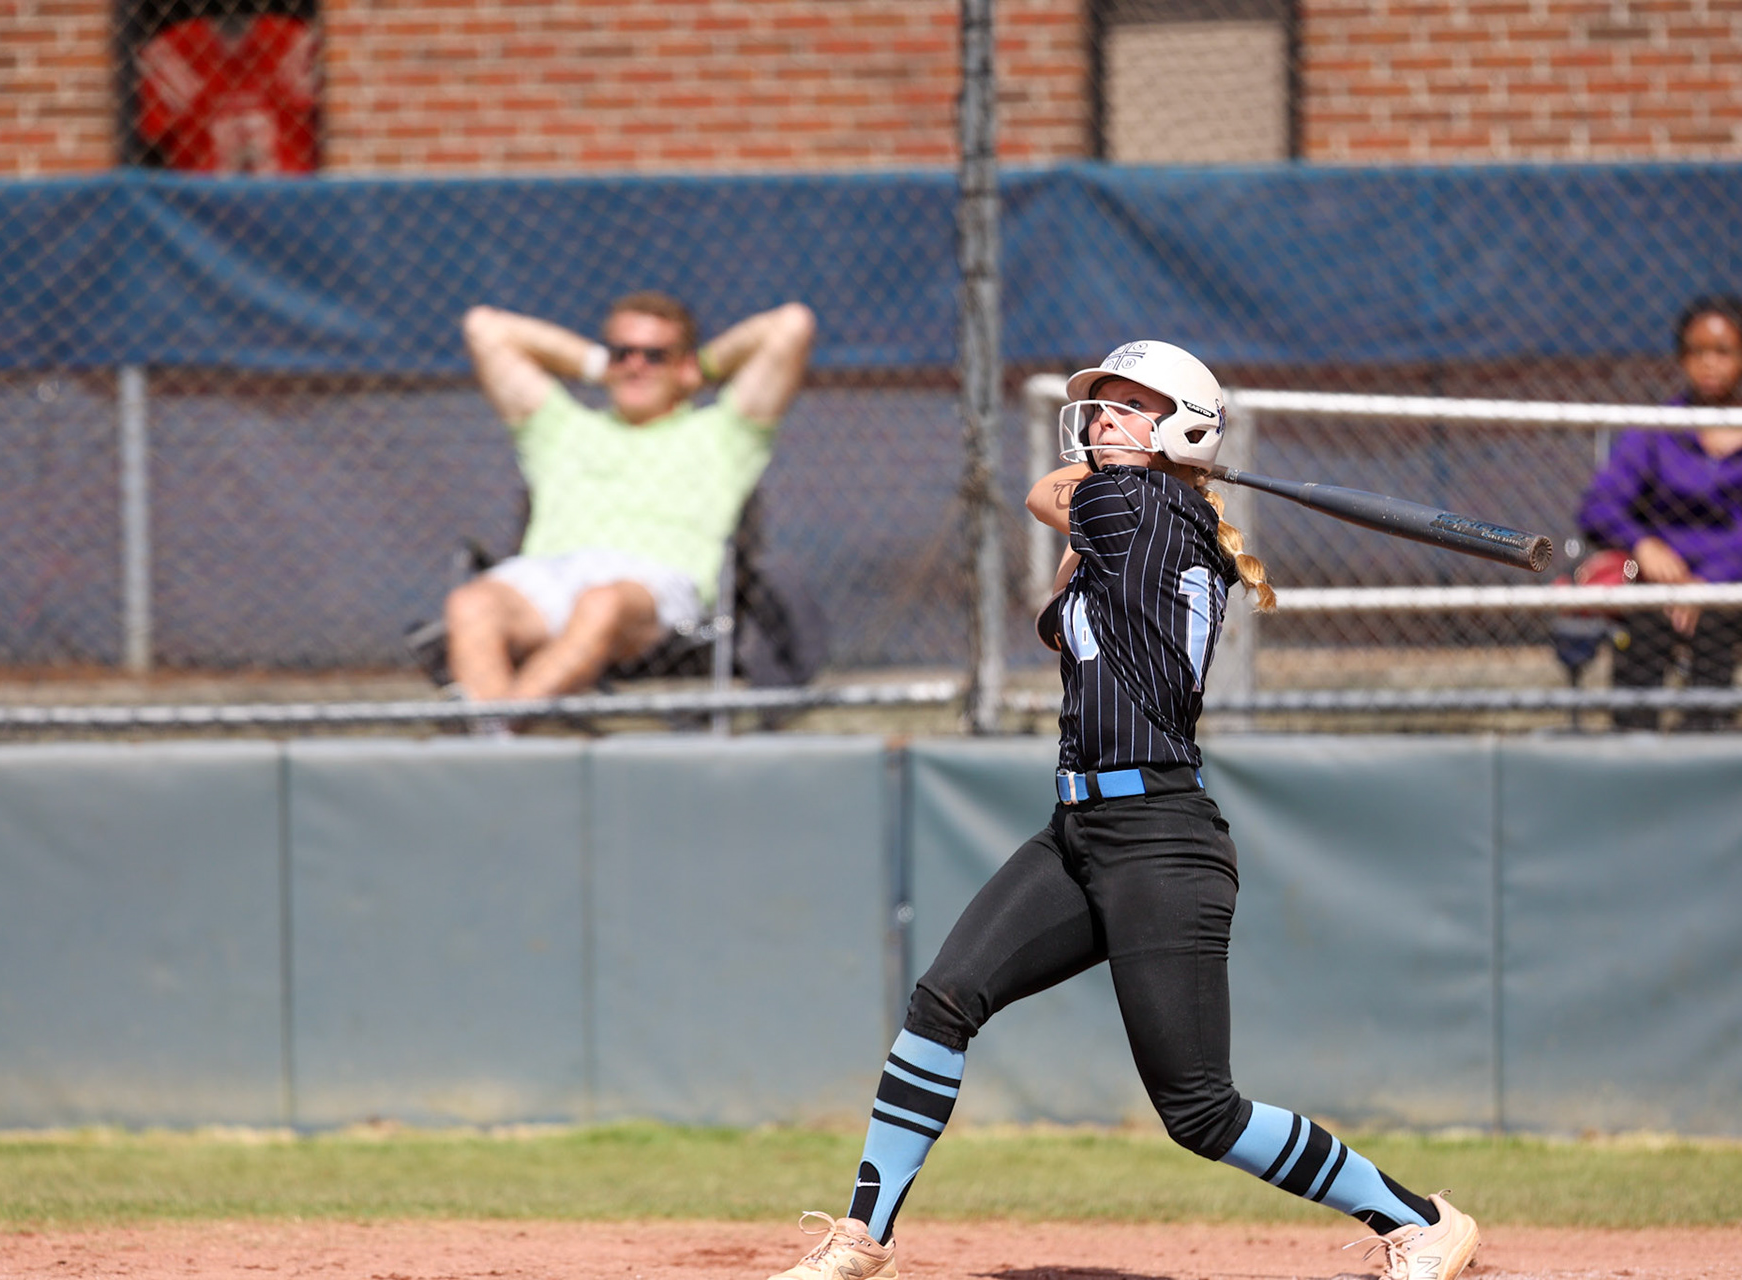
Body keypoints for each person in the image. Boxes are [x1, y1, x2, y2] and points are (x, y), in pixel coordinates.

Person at [766, 341, 1481, 1280]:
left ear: (1184, 426)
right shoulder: (1151, 521)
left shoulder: (1136, 502)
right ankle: (865, 1238)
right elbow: (1071, 560)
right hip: (1080, 832)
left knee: (1201, 1112)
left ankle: (1420, 1220)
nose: (1101, 419)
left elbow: (1045, 493)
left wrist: (1146, 466)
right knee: (945, 1002)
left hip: (1159, 839)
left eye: (1129, 406)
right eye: (1099, 405)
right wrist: (1151, 460)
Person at [449, 292, 815, 699]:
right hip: (549, 575)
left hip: (654, 589)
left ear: (682, 363)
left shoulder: (724, 434)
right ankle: (498, 744)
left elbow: (791, 326)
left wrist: (702, 368)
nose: (636, 366)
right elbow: (484, 328)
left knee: (601, 602)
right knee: (471, 604)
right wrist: (594, 364)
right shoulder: (561, 428)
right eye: (622, 353)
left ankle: (497, 732)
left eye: (655, 355)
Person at [1576, 295, 1742, 730]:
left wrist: (1709, 582)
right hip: (1664, 581)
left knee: (1713, 617)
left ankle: (1707, 742)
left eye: (1722, 352)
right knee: (1646, 616)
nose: (1708, 364)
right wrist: (1644, 544)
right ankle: (1633, 744)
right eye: (1696, 352)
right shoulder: (1659, 428)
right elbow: (1599, 505)